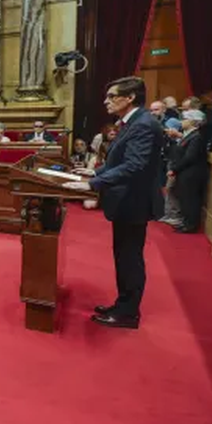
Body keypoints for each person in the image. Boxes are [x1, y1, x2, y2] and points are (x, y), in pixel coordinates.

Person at [63, 76, 163, 329]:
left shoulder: (143, 124)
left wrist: (94, 184)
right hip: (126, 200)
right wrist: (95, 172)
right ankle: (123, 304)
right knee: (123, 255)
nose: (105, 101)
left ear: (130, 98)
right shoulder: (131, 122)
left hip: (134, 201)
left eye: (112, 96)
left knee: (129, 257)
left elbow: (135, 165)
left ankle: (128, 313)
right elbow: (120, 159)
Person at [169, 110, 209, 234]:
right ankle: (186, 221)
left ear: (192, 121)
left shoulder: (196, 137)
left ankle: (191, 225)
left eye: (185, 119)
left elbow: (190, 157)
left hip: (191, 174)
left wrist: (175, 169)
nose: (181, 121)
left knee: (190, 199)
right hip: (185, 172)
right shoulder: (189, 135)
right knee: (184, 198)